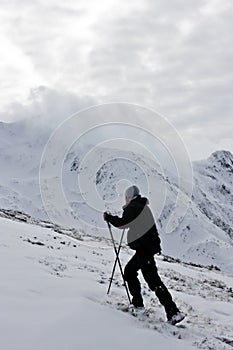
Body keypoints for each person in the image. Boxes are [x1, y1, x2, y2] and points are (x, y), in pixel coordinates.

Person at [103, 185, 185, 325]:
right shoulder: (141, 206)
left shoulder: (133, 207)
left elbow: (123, 224)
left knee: (152, 280)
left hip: (144, 249)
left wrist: (109, 218)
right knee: (130, 272)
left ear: (129, 197)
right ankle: (139, 304)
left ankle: (172, 311)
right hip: (145, 248)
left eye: (126, 197)